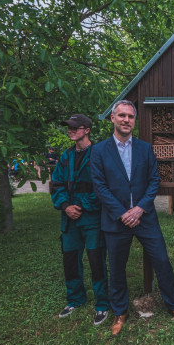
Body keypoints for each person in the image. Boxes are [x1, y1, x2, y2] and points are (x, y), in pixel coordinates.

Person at [90, 100, 174, 336]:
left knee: (162, 261)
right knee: (117, 268)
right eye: (122, 115)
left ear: (134, 121)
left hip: (144, 218)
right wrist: (123, 213)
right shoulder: (99, 151)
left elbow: (154, 180)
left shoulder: (145, 149)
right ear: (112, 118)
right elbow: (100, 186)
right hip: (116, 221)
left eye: (130, 117)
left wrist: (139, 209)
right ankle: (120, 311)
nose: (126, 120)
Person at [50, 114, 110, 326]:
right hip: (70, 220)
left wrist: (81, 205)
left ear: (86, 130)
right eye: (69, 127)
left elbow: (104, 187)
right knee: (70, 260)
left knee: (96, 261)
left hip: (92, 219)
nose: (70, 130)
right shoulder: (65, 157)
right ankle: (75, 299)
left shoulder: (99, 154)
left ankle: (102, 304)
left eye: (74, 127)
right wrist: (66, 206)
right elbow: (56, 184)